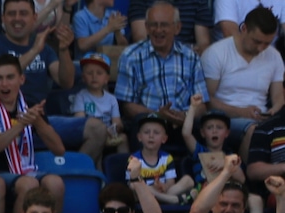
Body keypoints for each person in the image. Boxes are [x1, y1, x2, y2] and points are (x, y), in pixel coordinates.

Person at [0, 0, 105, 156]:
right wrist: (34, 51)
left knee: (97, 129)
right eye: (12, 14)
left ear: (34, 17)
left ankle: (74, 168)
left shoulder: (44, 48)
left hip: (40, 120)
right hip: (2, 121)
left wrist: (63, 50)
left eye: (23, 13)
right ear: (3, 18)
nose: (17, 18)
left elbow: (66, 82)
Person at [0, 52, 68, 213]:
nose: (4, 84)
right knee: (28, 184)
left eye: (10, 77)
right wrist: (20, 125)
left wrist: (38, 122)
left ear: (21, 79)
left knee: (56, 183)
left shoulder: (30, 105)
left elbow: (59, 150)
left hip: (26, 170)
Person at [117, 3, 208, 126]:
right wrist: (157, 115)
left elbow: (202, 105)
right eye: (153, 25)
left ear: (177, 28)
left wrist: (185, 115)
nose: (158, 30)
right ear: (146, 27)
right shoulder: (130, 56)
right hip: (147, 126)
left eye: (164, 25)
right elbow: (127, 106)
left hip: (183, 126)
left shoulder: (191, 58)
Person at [201, 6, 282, 138]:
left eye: (267, 44)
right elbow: (206, 100)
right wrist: (241, 112)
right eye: (256, 41)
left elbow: (278, 97)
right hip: (224, 119)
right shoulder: (216, 53)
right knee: (254, 130)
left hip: (261, 119)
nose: (261, 48)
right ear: (244, 29)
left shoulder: (274, 56)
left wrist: (273, 111)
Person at [72, 52, 123, 150]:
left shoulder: (112, 99)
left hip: (109, 135)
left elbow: (117, 122)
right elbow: (79, 121)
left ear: (106, 79)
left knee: (123, 138)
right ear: (83, 77)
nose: (94, 76)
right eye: (89, 73)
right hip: (90, 135)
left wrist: (115, 129)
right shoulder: (81, 96)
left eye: (99, 73)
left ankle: (126, 161)